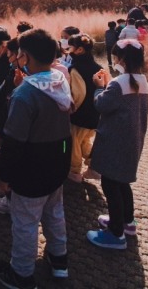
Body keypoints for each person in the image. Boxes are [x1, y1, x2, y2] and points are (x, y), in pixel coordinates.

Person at [0, 29, 73, 287]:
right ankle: (59, 260)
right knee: (54, 214)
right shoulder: (60, 81)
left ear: (24, 57)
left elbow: (14, 143)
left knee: (25, 224)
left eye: (18, 55)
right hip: (57, 165)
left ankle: (22, 274)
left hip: (31, 172)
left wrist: (4, 176)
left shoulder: (25, 95)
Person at [87, 39, 148, 250]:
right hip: (132, 141)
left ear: (121, 59)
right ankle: (127, 222)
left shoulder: (118, 83)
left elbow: (101, 106)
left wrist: (99, 88)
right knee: (122, 183)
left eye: (115, 57)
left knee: (110, 185)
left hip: (114, 142)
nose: (114, 60)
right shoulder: (143, 81)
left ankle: (115, 234)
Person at [66, 34, 103, 183]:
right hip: (94, 113)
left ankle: (74, 171)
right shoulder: (98, 67)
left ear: (79, 49)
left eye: (71, 47)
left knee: (74, 142)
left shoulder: (75, 69)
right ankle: (94, 166)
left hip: (80, 115)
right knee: (85, 140)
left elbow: (78, 93)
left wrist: (71, 110)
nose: (68, 50)